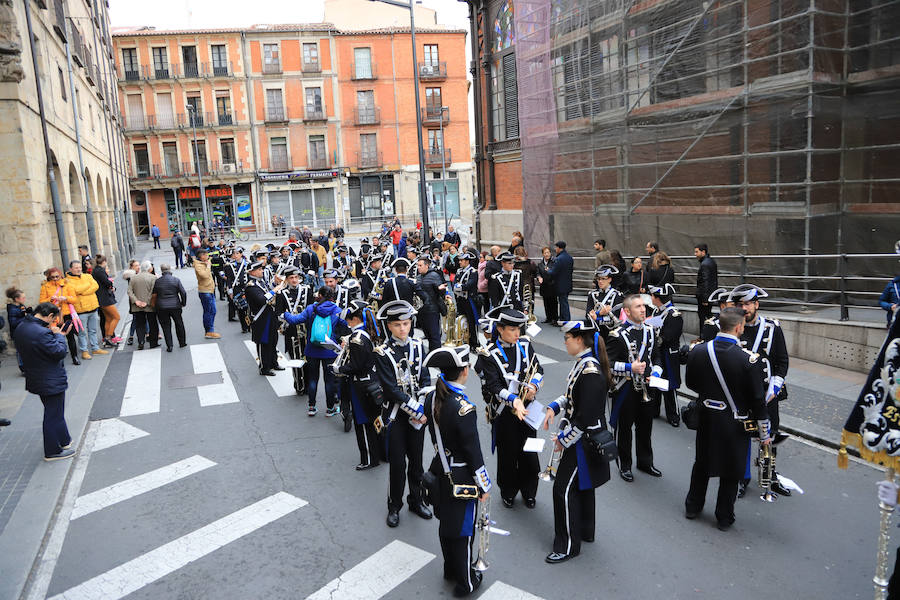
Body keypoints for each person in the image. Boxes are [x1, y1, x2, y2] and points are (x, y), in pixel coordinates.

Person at [684, 307, 770, 531]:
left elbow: (691, 383)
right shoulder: (748, 360)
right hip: (734, 421)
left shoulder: (698, 351)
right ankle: (723, 516)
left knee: (702, 463)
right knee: (732, 471)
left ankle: (693, 506)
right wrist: (764, 433)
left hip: (706, 417)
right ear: (740, 327)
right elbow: (758, 400)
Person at [422, 345, 491, 597]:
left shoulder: (431, 397)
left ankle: (450, 569)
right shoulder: (463, 407)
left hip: (440, 469)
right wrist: (483, 485)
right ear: (464, 371)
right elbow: (473, 453)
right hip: (461, 476)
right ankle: (466, 582)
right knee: (463, 531)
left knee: (446, 525)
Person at [543, 321, 612, 563]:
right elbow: (573, 395)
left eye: (567, 338)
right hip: (583, 436)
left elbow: (585, 417)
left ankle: (568, 545)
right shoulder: (584, 364)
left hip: (584, 440)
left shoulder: (590, 370)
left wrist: (564, 440)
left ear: (579, 340)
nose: (565, 342)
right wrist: (554, 406)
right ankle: (585, 530)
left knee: (562, 489)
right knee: (584, 485)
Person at [474, 306, 544, 510]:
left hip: (528, 408)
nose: (517, 334)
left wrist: (534, 385)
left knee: (530, 453)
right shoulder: (489, 353)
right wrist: (514, 399)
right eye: (512, 330)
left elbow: (538, 368)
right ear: (500, 329)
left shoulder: (525, 344)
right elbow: (493, 385)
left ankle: (529, 491)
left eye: (519, 329)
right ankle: (508, 491)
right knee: (508, 454)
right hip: (505, 411)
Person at [373, 300, 433, 528]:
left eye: (406, 324)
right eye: (397, 325)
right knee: (398, 465)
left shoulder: (418, 346)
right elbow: (391, 389)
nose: (403, 329)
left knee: (417, 463)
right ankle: (394, 505)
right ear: (389, 326)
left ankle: (416, 500)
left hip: (418, 418)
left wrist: (425, 406)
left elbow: (426, 378)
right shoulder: (382, 353)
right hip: (397, 416)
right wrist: (417, 410)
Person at [731, 284, 792, 498]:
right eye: (739, 304)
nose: (744, 308)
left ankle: (770, 476)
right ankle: (742, 478)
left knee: (770, 435)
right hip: (741, 394)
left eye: (747, 304)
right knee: (742, 437)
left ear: (756, 304)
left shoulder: (772, 328)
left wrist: (775, 386)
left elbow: (782, 361)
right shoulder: (732, 328)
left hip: (767, 392)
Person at [606, 294, 662, 482]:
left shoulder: (651, 331)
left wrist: (655, 373)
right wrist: (630, 367)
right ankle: (625, 464)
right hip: (626, 388)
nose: (643, 309)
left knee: (645, 426)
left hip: (647, 386)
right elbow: (608, 365)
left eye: (643, 306)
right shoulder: (617, 334)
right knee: (625, 428)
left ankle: (645, 462)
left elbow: (657, 357)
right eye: (638, 306)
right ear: (627, 311)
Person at [15, 303, 76, 460]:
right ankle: (52, 451)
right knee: (53, 414)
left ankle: (64, 440)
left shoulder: (23, 326)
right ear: (49, 316)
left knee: (54, 410)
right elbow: (59, 352)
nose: (52, 323)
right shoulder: (41, 333)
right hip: (49, 378)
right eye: (53, 319)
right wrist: (59, 336)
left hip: (37, 375)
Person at [335, 299, 384, 465]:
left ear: (354, 319)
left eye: (348, 319)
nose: (347, 322)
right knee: (375, 421)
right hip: (371, 381)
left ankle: (369, 459)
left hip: (360, 385)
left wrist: (339, 370)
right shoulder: (366, 332)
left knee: (363, 423)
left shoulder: (356, 338)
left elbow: (356, 365)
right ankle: (380, 454)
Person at [283, 286, 344, 416]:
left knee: (312, 379)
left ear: (319, 295)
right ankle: (330, 408)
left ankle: (312, 406)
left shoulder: (311, 308)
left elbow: (294, 320)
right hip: (329, 350)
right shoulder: (337, 310)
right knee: (329, 380)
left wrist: (285, 313)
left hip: (311, 349)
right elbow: (346, 325)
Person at [649, 283, 683, 427]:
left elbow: (670, 336)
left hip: (668, 354)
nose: (651, 298)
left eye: (652, 296)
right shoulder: (656, 312)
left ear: (657, 298)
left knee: (669, 386)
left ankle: (673, 415)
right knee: (656, 382)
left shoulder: (673, 314)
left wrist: (655, 340)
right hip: (658, 353)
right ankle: (655, 410)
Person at [276, 265, 313, 396]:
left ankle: (308, 385)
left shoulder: (307, 290)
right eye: (291, 278)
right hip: (292, 332)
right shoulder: (282, 294)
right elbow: (279, 313)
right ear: (286, 279)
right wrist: (288, 317)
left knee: (307, 359)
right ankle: (299, 385)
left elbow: (312, 309)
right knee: (295, 359)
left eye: (296, 277)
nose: (294, 280)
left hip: (306, 331)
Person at [246, 260, 284, 375]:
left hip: (269, 315)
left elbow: (267, 291)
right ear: (252, 272)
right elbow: (262, 299)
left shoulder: (260, 282)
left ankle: (274, 363)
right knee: (264, 343)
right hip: (261, 318)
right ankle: (264, 367)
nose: (262, 271)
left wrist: (275, 284)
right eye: (259, 269)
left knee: (273, 340)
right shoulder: (251, 286)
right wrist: (275, 290)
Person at [65, 261, 108, 361]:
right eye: (76, 268)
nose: (78, 269)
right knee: (82, 332)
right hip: (80, 310)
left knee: (93, 330)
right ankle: (84, 351)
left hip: (93, 307)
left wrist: (83, 292)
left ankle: (95, 348)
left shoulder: (87, 276)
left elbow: (95, 286)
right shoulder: (68, 281)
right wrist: (87, 287)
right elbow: (75, 290)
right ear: (70, 269)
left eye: (79, 267)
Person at [38, 267, 80, 365]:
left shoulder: (67, 284)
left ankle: (75, 356)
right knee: (55, 337)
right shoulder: (45, 286)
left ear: (60, 275)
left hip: (66, 314)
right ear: (49, 277)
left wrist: (65, 298)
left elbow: (74, 299)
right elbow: (41, 302)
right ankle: (58, 359)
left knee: (70, 336)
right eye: (53, 277)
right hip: (53, 317)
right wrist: (50, 299)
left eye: (57, 276)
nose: (55, 279)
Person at [414, 255, 447, 352]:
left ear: (426, 265)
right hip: (421, 310)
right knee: (427, 333)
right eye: (418, 265)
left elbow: (441, 291)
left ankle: (436, 354)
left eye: (420, 265)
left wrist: (441, 290)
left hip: (432, 309)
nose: (418, 267)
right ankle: (431, 352)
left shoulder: (434, 275)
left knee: (434, 334)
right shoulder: (418, 277)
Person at [152, 264, 187, 352]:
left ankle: (169, 345)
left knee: (166, 326)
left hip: (162, 306)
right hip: (175, 305)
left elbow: (154, 295)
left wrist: (154, 305)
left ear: (161, 270)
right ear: (170, 269)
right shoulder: (176, 280)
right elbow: (183, 293)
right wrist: (183, 303)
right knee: (179, 323)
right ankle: (182, 342)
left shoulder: (157, 281)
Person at [128, 261, 159, 350]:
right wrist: (147, 301)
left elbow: (129, 291)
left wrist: (136, 301)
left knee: (139, 324)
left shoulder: (134, 278)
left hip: (137, 306)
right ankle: (153, 342)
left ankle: (141, 341)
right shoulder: (153, 278)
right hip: (149, 305)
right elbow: (153, 292)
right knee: (152, 323)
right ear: (150, 268)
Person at [92, 255, 121, 347]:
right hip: (105, 298)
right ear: (104, 262)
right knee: (116, 317)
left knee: (108, 319)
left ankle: (107, 339)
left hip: (101, 298)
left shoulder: (96, 270)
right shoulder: (100, 271)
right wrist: (111, 284)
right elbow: (107, 282)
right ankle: (108, 337)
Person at [585, 265, 622, 336]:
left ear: (610, 279)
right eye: (598, 279)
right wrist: (600, 313)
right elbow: (587, 316)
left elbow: (616, 318)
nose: (600, 281)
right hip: (595, 332)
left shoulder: (617, 295)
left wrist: (597, 318)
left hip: (610, 333)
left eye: (603, 279)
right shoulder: (592, 294)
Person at [193, 248, 220, 339]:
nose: (208, 256)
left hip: (210, 289)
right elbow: (204, 275)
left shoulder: (204, 263)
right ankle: (209, 331)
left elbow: (208, 276)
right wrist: (208, 266)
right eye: (206, 255)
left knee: (213, 311)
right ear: (202, 256)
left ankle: (209, 330)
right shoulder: (198, 265)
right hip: (205, 291)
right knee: (209, 311)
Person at [454, 252, 479, 348]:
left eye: (461, 260)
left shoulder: (473, 272)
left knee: (472, 322)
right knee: (461, 321)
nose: (460, 262)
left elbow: (470, 285)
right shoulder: (459, 271)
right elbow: (455, 283)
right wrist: (457, 287)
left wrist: (461, 287)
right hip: (460, 300)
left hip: (469, 300)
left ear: (467, 261)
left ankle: (475, 343)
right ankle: (464, 340)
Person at [548, 241, 574, 323]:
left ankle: (565, 320)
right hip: (568, 283)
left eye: (556, 247)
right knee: (564, 301)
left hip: (560, 284)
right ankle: (563, 318)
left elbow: (554, 272)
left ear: (559, 248)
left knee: (563, 303)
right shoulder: (569, 257)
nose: (555, 249)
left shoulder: (559, 259)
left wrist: (548, 270)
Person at [225, 247, 250, 333]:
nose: (235, 255)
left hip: (247, 288)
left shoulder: (247, 264)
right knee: (240, 308)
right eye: (234, 254)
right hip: (237, 288)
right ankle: (244, 326)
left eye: (237, 253)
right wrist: (230, 291)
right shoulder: (229, 265)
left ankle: (249, 325)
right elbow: (228, 279)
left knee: (249, 308)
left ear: (241, 254)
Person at [6, 287, 30, 372]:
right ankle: (23, 368)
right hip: (17, 333)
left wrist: (29, 312)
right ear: (16, 299)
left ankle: (28, 366)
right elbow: (13, 323)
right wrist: (26, 317)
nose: (24, 299)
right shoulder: (12, 309)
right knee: (20, 351)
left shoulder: (20, 305)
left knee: (26, 349)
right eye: (23, 297)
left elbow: (23, 314)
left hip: (23, 331)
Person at [694, 243, 718, 325]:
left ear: (703, 252)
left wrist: (705, 299)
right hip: (709, 295)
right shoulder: (710, 262)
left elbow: (706, 281)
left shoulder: (705, 264)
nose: (695, 254)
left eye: (697, 252)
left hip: (705, 296)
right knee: (707, 315)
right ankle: (704, 336)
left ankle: (703, 336)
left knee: (703, 316)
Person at [513, 246, 537, 317]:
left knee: (519, 301)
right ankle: (530, 315)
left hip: (517, 284)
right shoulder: (530, 262)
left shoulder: (513, 263)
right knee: (529, 301)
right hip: (528, 283)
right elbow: (535, 272)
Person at [536, 246, 557, 324]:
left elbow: (556, 272)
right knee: (546, 302)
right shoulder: (540, 263)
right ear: (542, 254)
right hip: (544, 285)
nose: (547, 254)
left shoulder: (554, 262)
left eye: (548, 252)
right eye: (545, 253)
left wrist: (550, 271)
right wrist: (539, 277)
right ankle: (548, 317)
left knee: (553, 303)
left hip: (552, 285)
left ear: (550, 253)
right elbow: (537, 273)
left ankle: (554, 318)